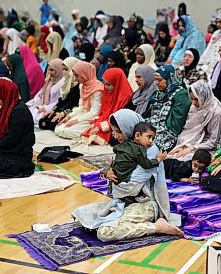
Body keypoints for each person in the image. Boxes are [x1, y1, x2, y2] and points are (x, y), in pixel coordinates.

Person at [72, 109, 183, 241]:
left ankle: (157, 227)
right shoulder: (128, 147)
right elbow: (116, 169)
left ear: (131, 130)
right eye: (114, 131)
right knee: (84, 213)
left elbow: (130, 187)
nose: (114, 135)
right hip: (126, 201)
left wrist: (114, 180)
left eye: (118, 131)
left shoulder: (149, 150)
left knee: (105, 232)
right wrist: (107, 173)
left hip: (146, 203)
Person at [166, 80, 221, 161]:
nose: (194, 102)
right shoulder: (195, 107)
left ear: (204, 97)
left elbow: (213, 142)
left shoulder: (216, 112)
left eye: (196, 99)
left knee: (180, 160)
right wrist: (184, 146)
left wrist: (192, 148)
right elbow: (190, 131)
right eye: (191, 99)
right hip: (194, 143)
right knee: (170, 156)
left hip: (208, 147)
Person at [144, 65, 191, 151]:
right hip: (152, 129)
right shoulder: (159, 92)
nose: (157, 83)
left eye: (160, 80)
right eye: (155, 79)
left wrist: (152, 134)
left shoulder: (181, 95)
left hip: (167, 136)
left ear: (170, 79)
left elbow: (175, 126)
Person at [81, 67, 133, 145]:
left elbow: (121, 119)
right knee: (89, 130)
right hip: (108, 121)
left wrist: (102, 126)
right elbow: (104, 111)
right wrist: (98, 124)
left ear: (117, 82)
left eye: (108, 84)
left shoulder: (126, 97)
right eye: (104, 84)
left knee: (109, 138)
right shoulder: (108, 92)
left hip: (118, 126)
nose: (105, 87)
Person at [54, 61, 103, 140]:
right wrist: (69, 116)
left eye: (77, 76)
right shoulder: (82, 86)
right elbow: (82, 107)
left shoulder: (98, 89)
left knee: (66, 131)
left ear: (85, 74)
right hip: (83, 115)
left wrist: (77, 120)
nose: (75, 79)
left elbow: (94, 112)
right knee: (59, 128)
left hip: (92, 118)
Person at [27, 58, 64, 125]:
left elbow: (59, 100)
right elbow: (40, 94)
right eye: (49, 69)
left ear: (59, 70)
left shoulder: (62, 83)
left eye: (52, 70)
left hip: (52, 108)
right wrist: (37, 103)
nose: (50, 72)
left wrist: (46, 108)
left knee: (39, 117)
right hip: (41, 105)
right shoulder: (49, 80)